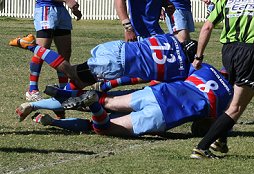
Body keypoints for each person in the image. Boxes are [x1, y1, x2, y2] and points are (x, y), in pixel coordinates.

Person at [16, 63, 233, 144]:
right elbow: (206, 125)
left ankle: (35, 105)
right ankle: (68, 117)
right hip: (165, 114)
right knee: (104, 127)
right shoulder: (229, 95)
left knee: (105, 100)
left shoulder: (206, 69)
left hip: (156, 93)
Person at [190, 0, 254, 159]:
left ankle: (221, 140)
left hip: (228, 52)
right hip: (251, 52)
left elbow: (207, 26)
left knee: (233, 99)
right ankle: (202, 147)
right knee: (237, 107)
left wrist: (198, 57)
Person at [10, 33, 198, 91]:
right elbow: (143, 80)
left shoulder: (168, 38)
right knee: (72, 72)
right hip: (118, 62)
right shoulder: (179, 69)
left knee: (81, 82)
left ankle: (54, 102)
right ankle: (32, 46)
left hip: (117, 47)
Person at [9, 0, 82, 102]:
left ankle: (64, 89)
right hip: (46, 8)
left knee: (65, 54)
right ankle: (32, 90)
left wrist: (74, 8)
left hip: (61, 9)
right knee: (42, 50)